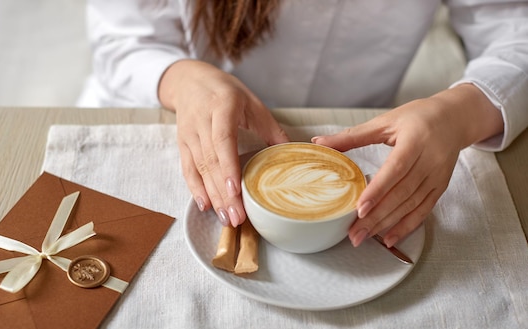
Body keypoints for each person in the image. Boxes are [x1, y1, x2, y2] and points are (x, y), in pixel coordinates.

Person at [79, 0, 528, 248]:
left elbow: (514, 27)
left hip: (357, 135)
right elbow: (124, 39)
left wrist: (462, 111)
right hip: (162, 116)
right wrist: (183, 80)